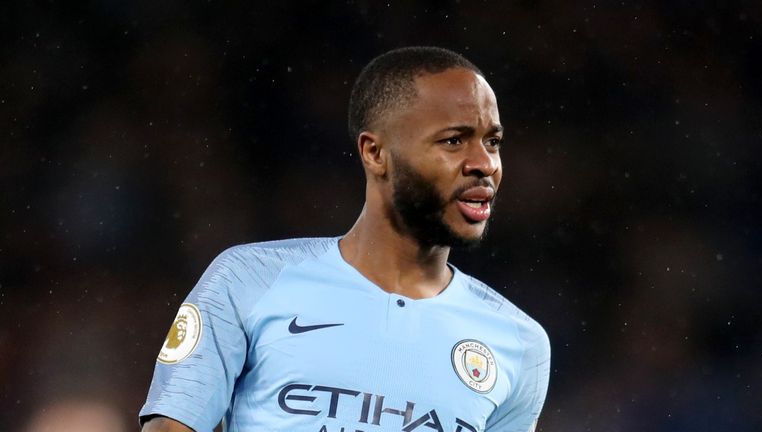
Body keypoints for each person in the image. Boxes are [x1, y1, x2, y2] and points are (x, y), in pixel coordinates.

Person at [140, 46, 550, 432]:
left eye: (492, 142)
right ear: (375, 152)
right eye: (453, 141)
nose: (484, 164)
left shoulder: (519, 342)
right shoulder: (249, 280)